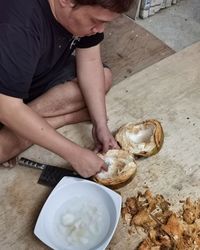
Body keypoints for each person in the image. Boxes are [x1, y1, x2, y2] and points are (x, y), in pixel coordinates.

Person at [0, 0, 134, 177]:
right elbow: (6, 106)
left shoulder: (81, 12)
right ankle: (28, 124)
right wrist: (74, 154)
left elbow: (90, 60)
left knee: (104, 78)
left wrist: (100, 124)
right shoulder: (18, 25)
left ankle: (27, 122)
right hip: (5, 101)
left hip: (36, 76)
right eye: (96, 20)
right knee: (9, 122)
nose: (100, 29)